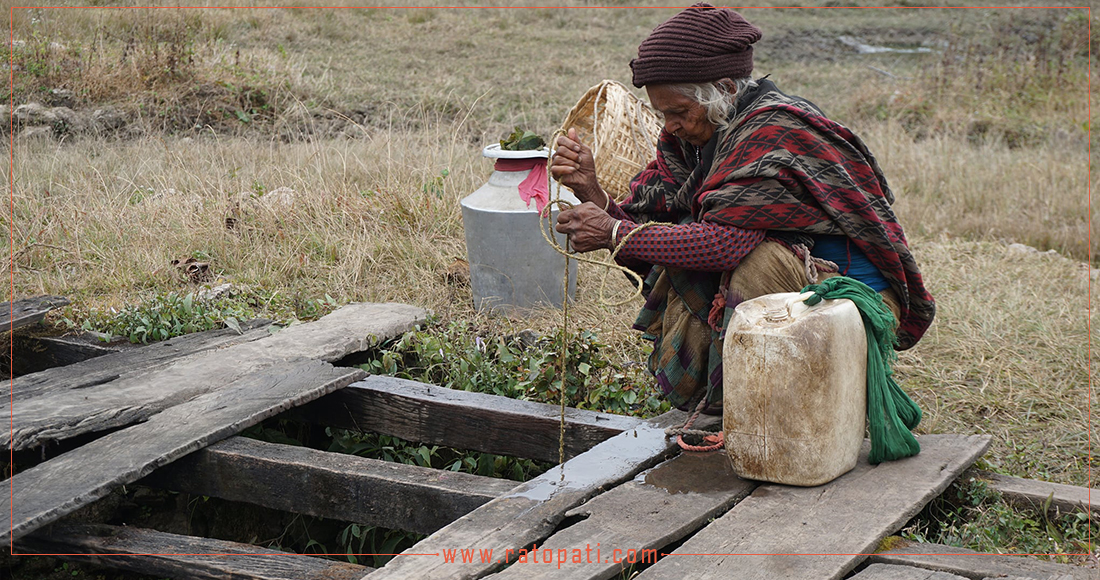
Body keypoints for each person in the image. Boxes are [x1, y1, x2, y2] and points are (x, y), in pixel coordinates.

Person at [551, 3, 935, 413]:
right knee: (684, 233)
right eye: (663, 113)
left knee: (756, 262)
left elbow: (722, 244)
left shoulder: (773, 132)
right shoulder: (694, 139)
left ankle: (766, 407)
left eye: (678, 112)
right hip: (798, 290)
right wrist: (593, 192)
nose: (668, 126)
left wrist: (613, 232)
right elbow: (656, 226)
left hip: (853, 302)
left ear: (726, 89)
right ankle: (735, 402)